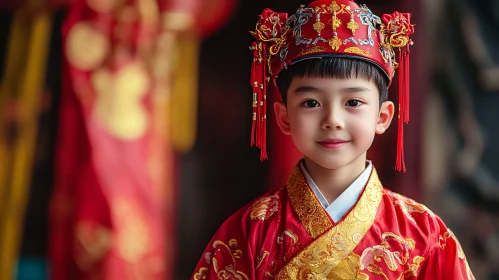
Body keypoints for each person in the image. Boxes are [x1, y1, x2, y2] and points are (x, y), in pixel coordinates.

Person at [191, 0, 476, 279]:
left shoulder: (424, 233)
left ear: (383, 117)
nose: (333, 120)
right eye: (311, 103)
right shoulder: (248, 232)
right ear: (284, 118)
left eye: (353, 101)